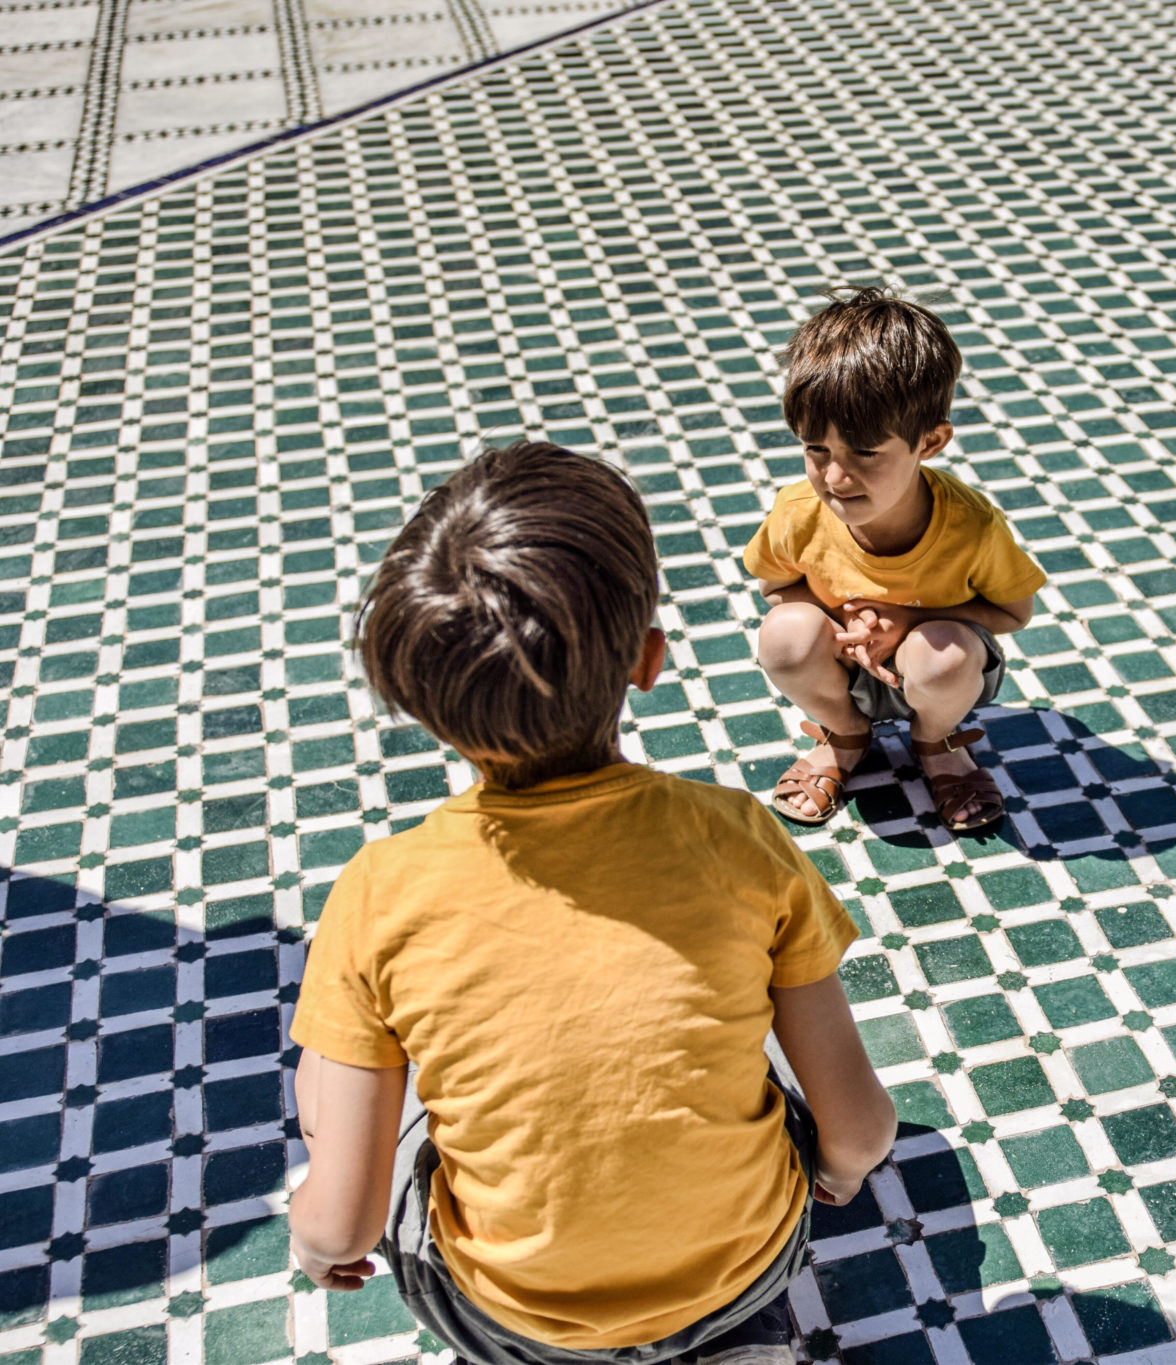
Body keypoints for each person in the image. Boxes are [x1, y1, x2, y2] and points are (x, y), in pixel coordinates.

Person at [286, 441, 897, 1365]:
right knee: (748, 1017)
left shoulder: (380, 892)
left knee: (336, 1075)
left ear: (419, 699)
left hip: (513, 1317)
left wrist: (317, 1245)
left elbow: (341, 1227)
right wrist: (840, 1176)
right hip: (743, 1276)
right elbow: (859, 1131)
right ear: (648, 659)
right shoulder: (735, 835)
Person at [744, 287, 1046, 833]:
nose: (835, 477)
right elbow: (774, 588)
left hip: (941, 676)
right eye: (817, 449)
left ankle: (936, 741)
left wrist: (910, 622)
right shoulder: (797, 514)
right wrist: (842, 625)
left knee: (944, 655)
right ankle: (845, 732)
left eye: (865, 452)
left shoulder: (970, 525)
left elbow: (1014, 613)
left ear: (930, 442)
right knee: (783, 634)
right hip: (844, 668)